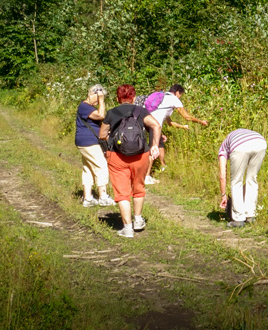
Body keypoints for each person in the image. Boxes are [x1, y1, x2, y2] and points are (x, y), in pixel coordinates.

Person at [99, 84, 162, 238]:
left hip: (117, 157)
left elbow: (102, 134)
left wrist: (113, 141)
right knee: (138, 187)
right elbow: (156, 125)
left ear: (117, 98)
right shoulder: (140, 111)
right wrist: (154, 145)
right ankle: (138, 220)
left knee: (122, 192)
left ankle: (127, 228)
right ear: (134, 97)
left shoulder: (111, 113)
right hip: (141, 155)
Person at [145, 84, 208, 184]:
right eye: (180, 95)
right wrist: (201, 121)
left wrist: (182, 127)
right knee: (154, 147)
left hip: (148, 121)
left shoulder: (164, 98)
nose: (180, 97)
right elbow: (186, 117)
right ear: (178, 92)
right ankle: (146, 176)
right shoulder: (174, 99)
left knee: (160, 143)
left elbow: (170, 123)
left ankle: (163, 166)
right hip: (154, 125)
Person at [217, 128, 268, 228]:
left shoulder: (223, 148)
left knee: (236, 181)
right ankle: (250, 215)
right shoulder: (236, 134)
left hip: (240, 146)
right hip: (260, 141)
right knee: (252, 179)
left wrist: (223, 195)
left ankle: (238, 219)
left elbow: (222, 176)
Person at [76, 84, 113, 207]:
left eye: (100, 99)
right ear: (90, 94)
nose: (98, 101)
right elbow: (101, 115)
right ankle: (103, 196)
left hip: (85, 142)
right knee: (101, 166)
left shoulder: (87, 107)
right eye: (97, 98)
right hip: (89, 142)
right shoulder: (85, 106)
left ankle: (88, 198)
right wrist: (102, 100)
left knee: (88, 168)